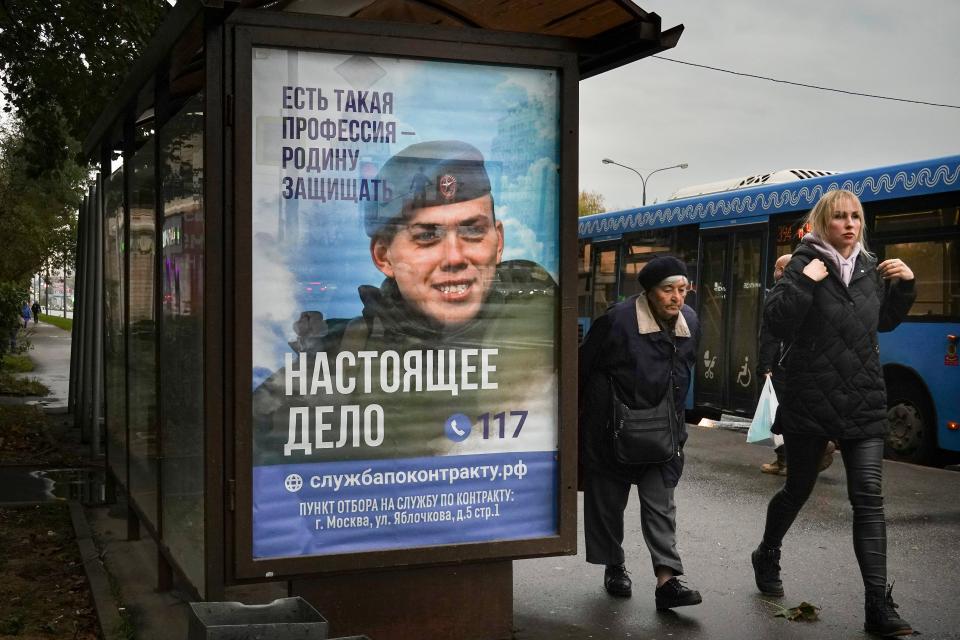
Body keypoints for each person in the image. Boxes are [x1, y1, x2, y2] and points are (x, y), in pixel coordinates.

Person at [252, 140, 557, 464]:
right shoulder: (334, 362)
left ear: (499, 242)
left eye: (472, 231)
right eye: (427, 236)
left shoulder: (537, 319)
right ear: (383, 256)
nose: (455, 257)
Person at [751, 190, 916, 638]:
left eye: (856, 217)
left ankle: (877, 607)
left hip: (862, 397)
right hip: (810, 397)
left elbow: (882, 322)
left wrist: (905, 286)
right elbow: (776, 322)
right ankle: (767, 551)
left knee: (868, 498)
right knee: (798, 488)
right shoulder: (805, 262)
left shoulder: (869, 267)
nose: (850, 224)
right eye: (840, 217)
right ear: (823, 222)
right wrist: (805, 280)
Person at [579, 255, 703, 611]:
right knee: (607, 501)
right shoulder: (618, 320)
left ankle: (668, 580)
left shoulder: (690, 321)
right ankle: (614, 565)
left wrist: (678, 428)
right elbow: (585, 365)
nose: (676, 297)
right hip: (612, 427)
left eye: (682, 290)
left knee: (660, 502)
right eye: (668, 290)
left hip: (662, 431)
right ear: (649, 292)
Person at [757, 253, 835, 475]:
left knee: (779, 413)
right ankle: (785, 459)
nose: (774, 272)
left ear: (783, 270)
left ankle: (809, 452)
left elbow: (770, 334)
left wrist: (765, 366)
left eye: (776, 267)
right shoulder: (808, 292)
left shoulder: (782, 293)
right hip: (794, 363)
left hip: (780, 364)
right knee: (783, 412)